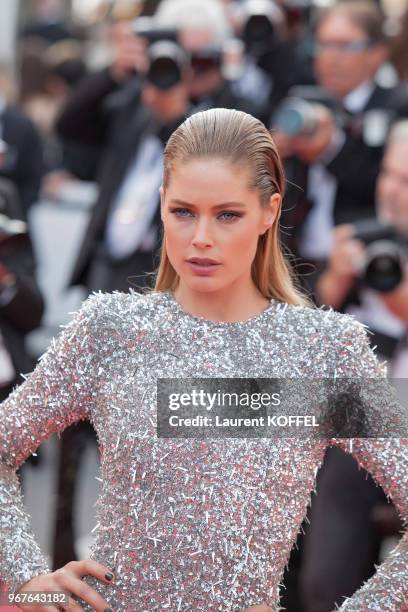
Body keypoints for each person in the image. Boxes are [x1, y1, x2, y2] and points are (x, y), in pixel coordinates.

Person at [0, 108, 407, 611]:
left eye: (228, 214)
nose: (201, 239)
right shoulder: (111, 331)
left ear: (269, 211)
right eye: (184, 211)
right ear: (162, 205)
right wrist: (22, 576)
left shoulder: (321, 351)